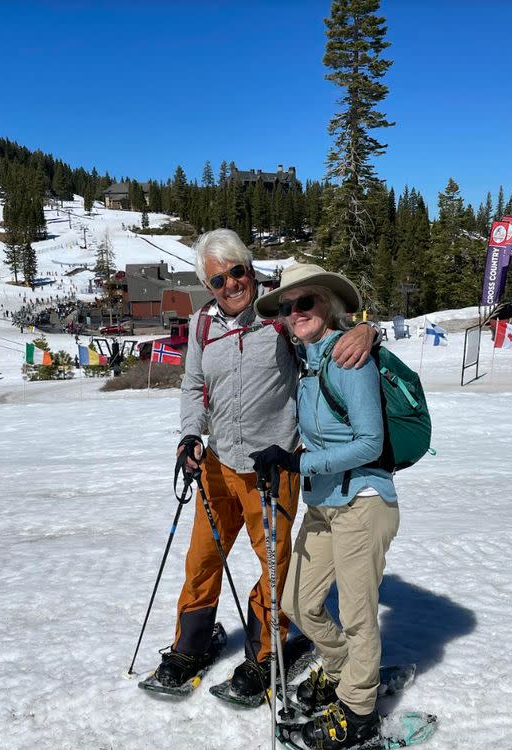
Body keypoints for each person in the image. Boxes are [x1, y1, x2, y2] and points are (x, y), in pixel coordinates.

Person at [150, 230, 379, 698]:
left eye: (238, 272)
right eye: (218, 279)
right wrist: (190, 435)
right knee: (202, 559)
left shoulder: (279, 318)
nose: (231, 285)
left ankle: (264, 653)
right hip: (217, 464)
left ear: (250, 271)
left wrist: (364, 330)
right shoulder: (201, 327)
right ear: (209, 286)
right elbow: (193, 386)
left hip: (273, 467)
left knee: (273, 564)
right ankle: (190, 645)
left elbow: (325, 332)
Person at [251, 264, 399, 750]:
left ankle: (359, 710)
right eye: (288, 307)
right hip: (323, 504)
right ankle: (342, 672)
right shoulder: (308, 361)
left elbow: (370, 443)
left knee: (357, 614)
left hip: (363, 499)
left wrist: (299, 463)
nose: (296, 313)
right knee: (296, 602)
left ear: (328, 306)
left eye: (306, 303)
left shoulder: (348, 359)